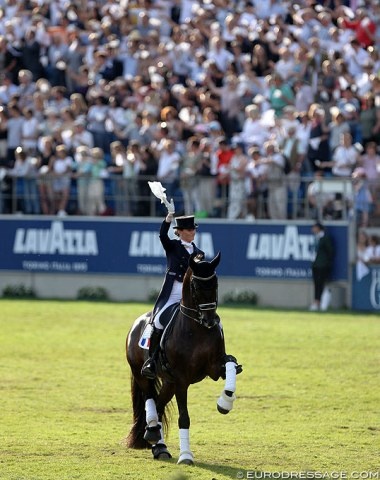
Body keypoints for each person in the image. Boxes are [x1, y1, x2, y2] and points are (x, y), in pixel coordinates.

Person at [141, 206, 205, 380]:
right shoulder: (173, 247)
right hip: (173, 292)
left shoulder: (199, 253)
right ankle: (151, 361)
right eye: (190, 229)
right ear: (181, 232)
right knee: (159, 321)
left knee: (210, 319)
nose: (193, 232)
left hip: (191, 294)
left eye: (194, 229)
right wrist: (168, 220)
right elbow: (162, 236)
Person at [309, 222, 334, 311]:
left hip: (322, 265)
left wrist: (326, 262)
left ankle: (320, 302)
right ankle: (316, 301)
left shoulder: (325, 238)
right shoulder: (315, 238)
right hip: (315, 264)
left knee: (321, 284)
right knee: (316, 284)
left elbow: (330, 251)